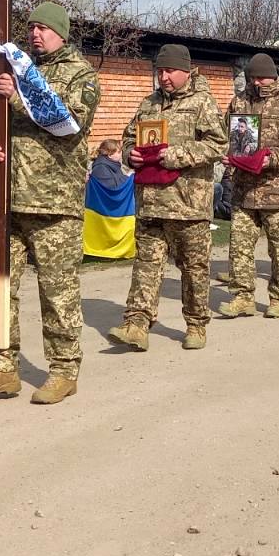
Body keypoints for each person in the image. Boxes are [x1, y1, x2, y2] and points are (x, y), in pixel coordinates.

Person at [0, 2, 101, 406]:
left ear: (62, 31)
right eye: (32, 28)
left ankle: (62, 370)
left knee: (57, 292)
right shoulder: (11, 67)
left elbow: (72, 123)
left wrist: (19, 98)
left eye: (44, 28)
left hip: (53, 203)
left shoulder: (80, 74)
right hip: (7, 199)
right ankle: (2, 368)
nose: (36, 35)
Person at [108, 44, 227, 352]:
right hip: (150, 201)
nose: (164, 77)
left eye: (169, 71)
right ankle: (136, 324)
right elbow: (128, 138)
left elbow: (218, 146)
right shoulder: (148, 103)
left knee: (194, 268)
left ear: (185, 71)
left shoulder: (203, 103)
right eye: (159, 71)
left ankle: (196, 324)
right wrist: (128, 154)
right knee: (146, 263)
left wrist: (177, 154)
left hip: (189, 204)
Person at [218, 52, 279, 320]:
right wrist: (228, 154)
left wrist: (271, 158)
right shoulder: (240, 100)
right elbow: (228, 133)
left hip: (278, 189)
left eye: (261, 77)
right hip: (244, 191)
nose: (257, 83)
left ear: (273, 75)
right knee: (240, 248)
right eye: (252, 78)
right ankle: (242, 297)